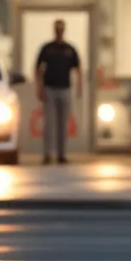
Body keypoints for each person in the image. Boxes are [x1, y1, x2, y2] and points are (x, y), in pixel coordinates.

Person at [35, 19, 82, 164]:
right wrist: (39, 88)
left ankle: (62, 154)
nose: (59, 31)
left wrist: (79, 87)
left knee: (63, 124)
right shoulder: (47, 48)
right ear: (54, 30)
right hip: (50, 89)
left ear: (64, 30)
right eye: (57, 29)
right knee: (49, 123)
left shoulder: (70, 49)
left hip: (65, 89)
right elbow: (38, 68)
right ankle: (48, 154)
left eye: (61, 29)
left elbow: (78, 68)